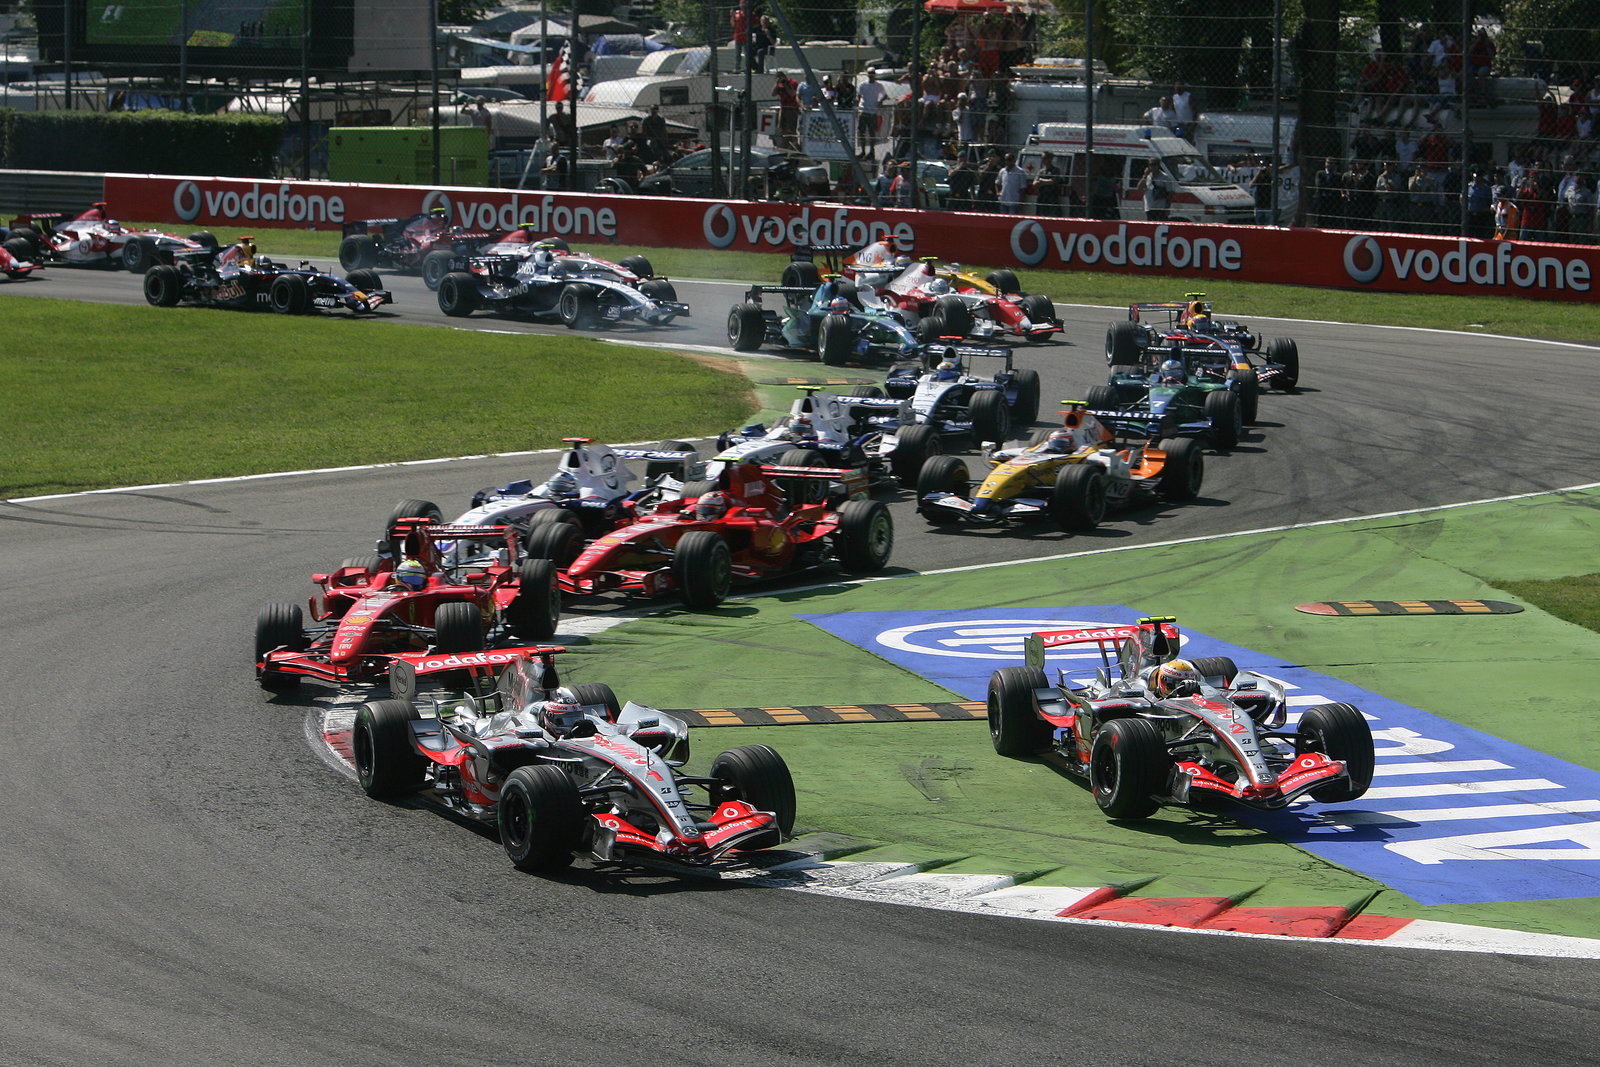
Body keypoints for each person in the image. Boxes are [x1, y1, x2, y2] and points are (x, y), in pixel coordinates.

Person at [856, 68, 887, 155]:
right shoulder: (863, 85)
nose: (871, 75)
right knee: (861, 132)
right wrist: (857, 108)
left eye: (872, 73)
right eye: (869, 73)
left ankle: (872, 151)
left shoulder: (879, 85)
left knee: (871, 132)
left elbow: (885, 95)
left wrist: (880, 102)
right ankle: (863, 151)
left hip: (873, 111)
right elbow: (859, 96)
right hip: (863, 110)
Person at [1033, 152, 1062, 216]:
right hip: (1042, 196)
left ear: (1050, 159)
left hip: (1052, 197)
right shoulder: (1041, 171)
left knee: (1052, 215)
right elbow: (1034, 183)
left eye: (1045, 158)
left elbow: (1053, 181)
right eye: (1042, 158)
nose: (1043, 160)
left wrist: (1041, 181)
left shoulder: (1055, 170)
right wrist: (1046, 182)